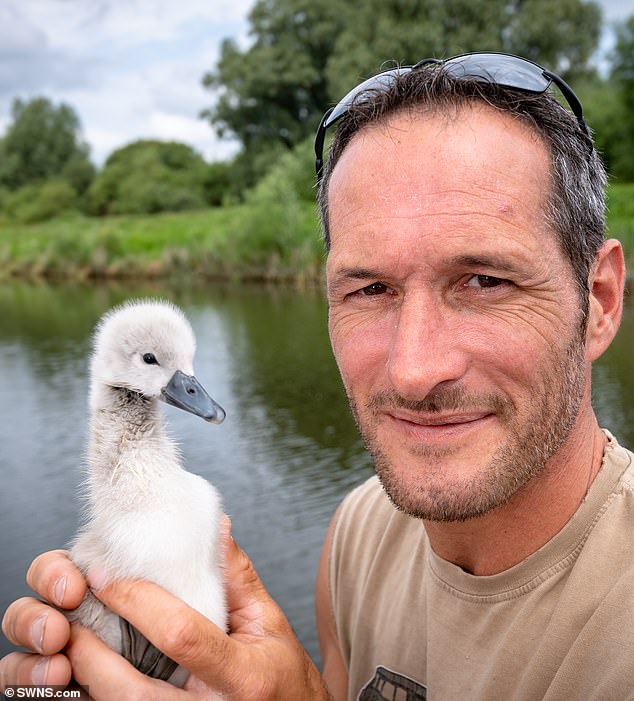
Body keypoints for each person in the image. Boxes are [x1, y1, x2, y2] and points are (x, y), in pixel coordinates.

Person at [0, 52, 630, 700]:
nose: (413, 369)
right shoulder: (360, 533)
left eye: (484, 281)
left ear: (601, 302)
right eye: (370, 288)